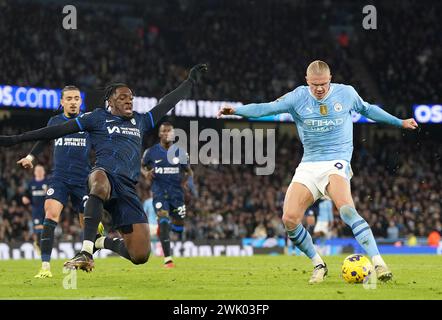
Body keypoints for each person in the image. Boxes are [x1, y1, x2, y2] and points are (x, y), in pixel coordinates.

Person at [218, 60, 418, 283]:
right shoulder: (298, 97)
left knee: (347, 210)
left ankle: (379, 262)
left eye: (323, 83)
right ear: (307, 81)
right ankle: (318, 264)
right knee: (289, 218)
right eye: (315, 85)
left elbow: (369, 109)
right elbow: (266, 108)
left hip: (337, 161)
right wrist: (236, 111)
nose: (319, 88)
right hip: (309, 164)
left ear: (330, 79)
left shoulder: (346, 93)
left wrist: (400, 122)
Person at [0, 63, 207, 272]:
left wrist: (189, 81)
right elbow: (54, 131)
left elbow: (167, 102)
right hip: (102, 175)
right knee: (99, 182)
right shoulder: (97, 118)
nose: (129, 101)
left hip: (127, 189)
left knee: (140, 255)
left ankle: (100, 242)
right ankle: (86, 252)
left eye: (131, 98)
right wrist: (14, 139)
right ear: (110, 101)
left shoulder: (141, 121)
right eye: (122, 97)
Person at [17, 85, 104, 278]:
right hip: (60, 178)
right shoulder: (55, 121)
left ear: (80, 102)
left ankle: (87, 255)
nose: (73, 102)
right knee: (51, 213)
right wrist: (31, 158)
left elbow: (102, 145)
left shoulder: (88, 122)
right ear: (62, 102)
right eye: (69, 99)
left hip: (83, 180)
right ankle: (45, 267)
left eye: (76, 99)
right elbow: (42, 140)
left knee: (87, 224)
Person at [142, 122, 194, 268]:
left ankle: (171, 225)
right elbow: (142, 165)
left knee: (178, 226)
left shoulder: (181, 153)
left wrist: (187, 185)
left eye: (169, 131)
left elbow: (189, 171)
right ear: (159, 134)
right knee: (163, 219)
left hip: (177, 195)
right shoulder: (151, 152)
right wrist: (146, 173)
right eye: (163, 131)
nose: (166, 134)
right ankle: (168, 259)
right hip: (159, 193)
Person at [21, 165, 48, 257]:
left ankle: (41, 244)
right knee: (39, 227)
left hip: (47, 209)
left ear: (44, 172)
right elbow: (25, 194)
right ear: (35, 172)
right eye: (37, 170)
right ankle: (39, 245)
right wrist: (25, 198)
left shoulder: (48, 182)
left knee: (46, 228)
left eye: (41, 170)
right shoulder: (31, 183)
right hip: (36, 210)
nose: (39, 172)